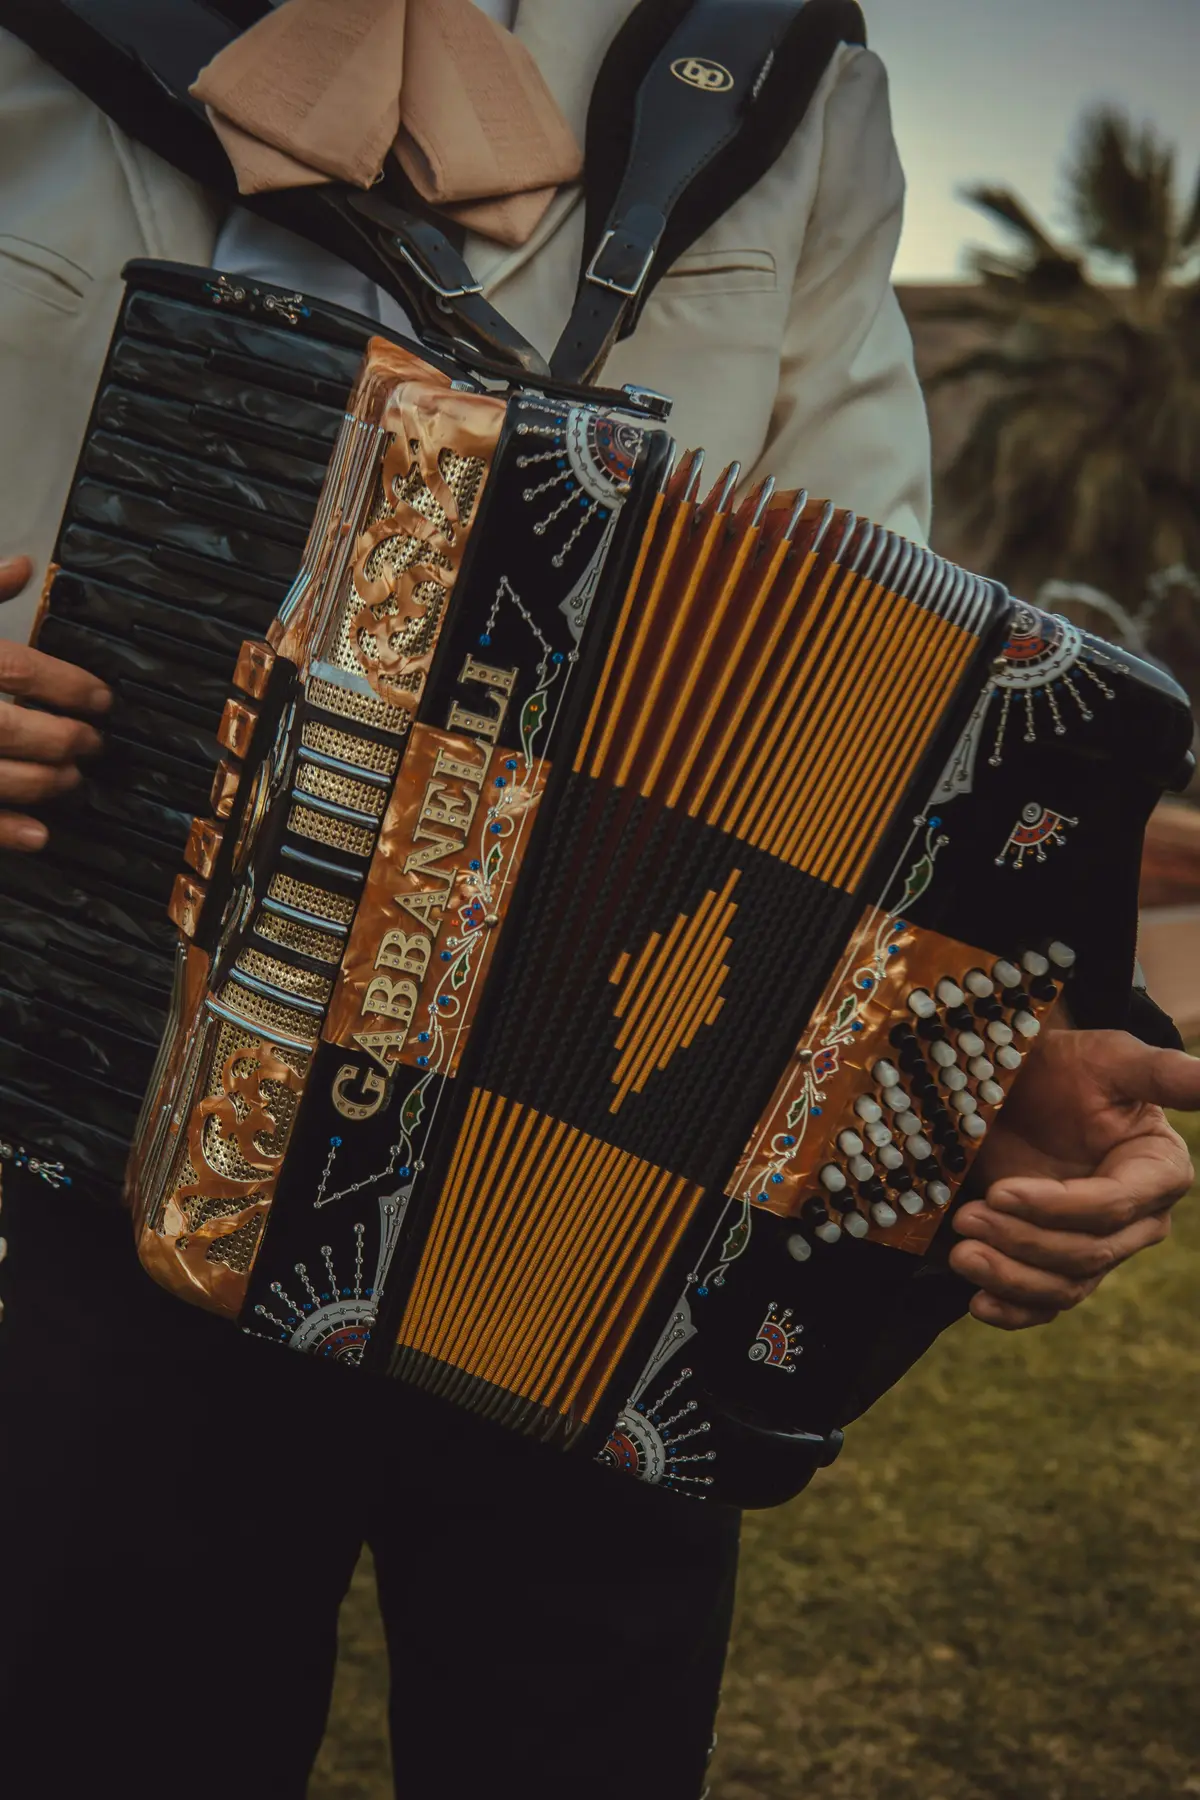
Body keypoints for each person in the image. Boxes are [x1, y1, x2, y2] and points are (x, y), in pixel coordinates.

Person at [0, 7, 1197, 1797]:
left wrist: (996, 1042)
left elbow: (872, 689)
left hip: (601, 1211)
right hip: (78, 1124)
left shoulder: (770, 63)